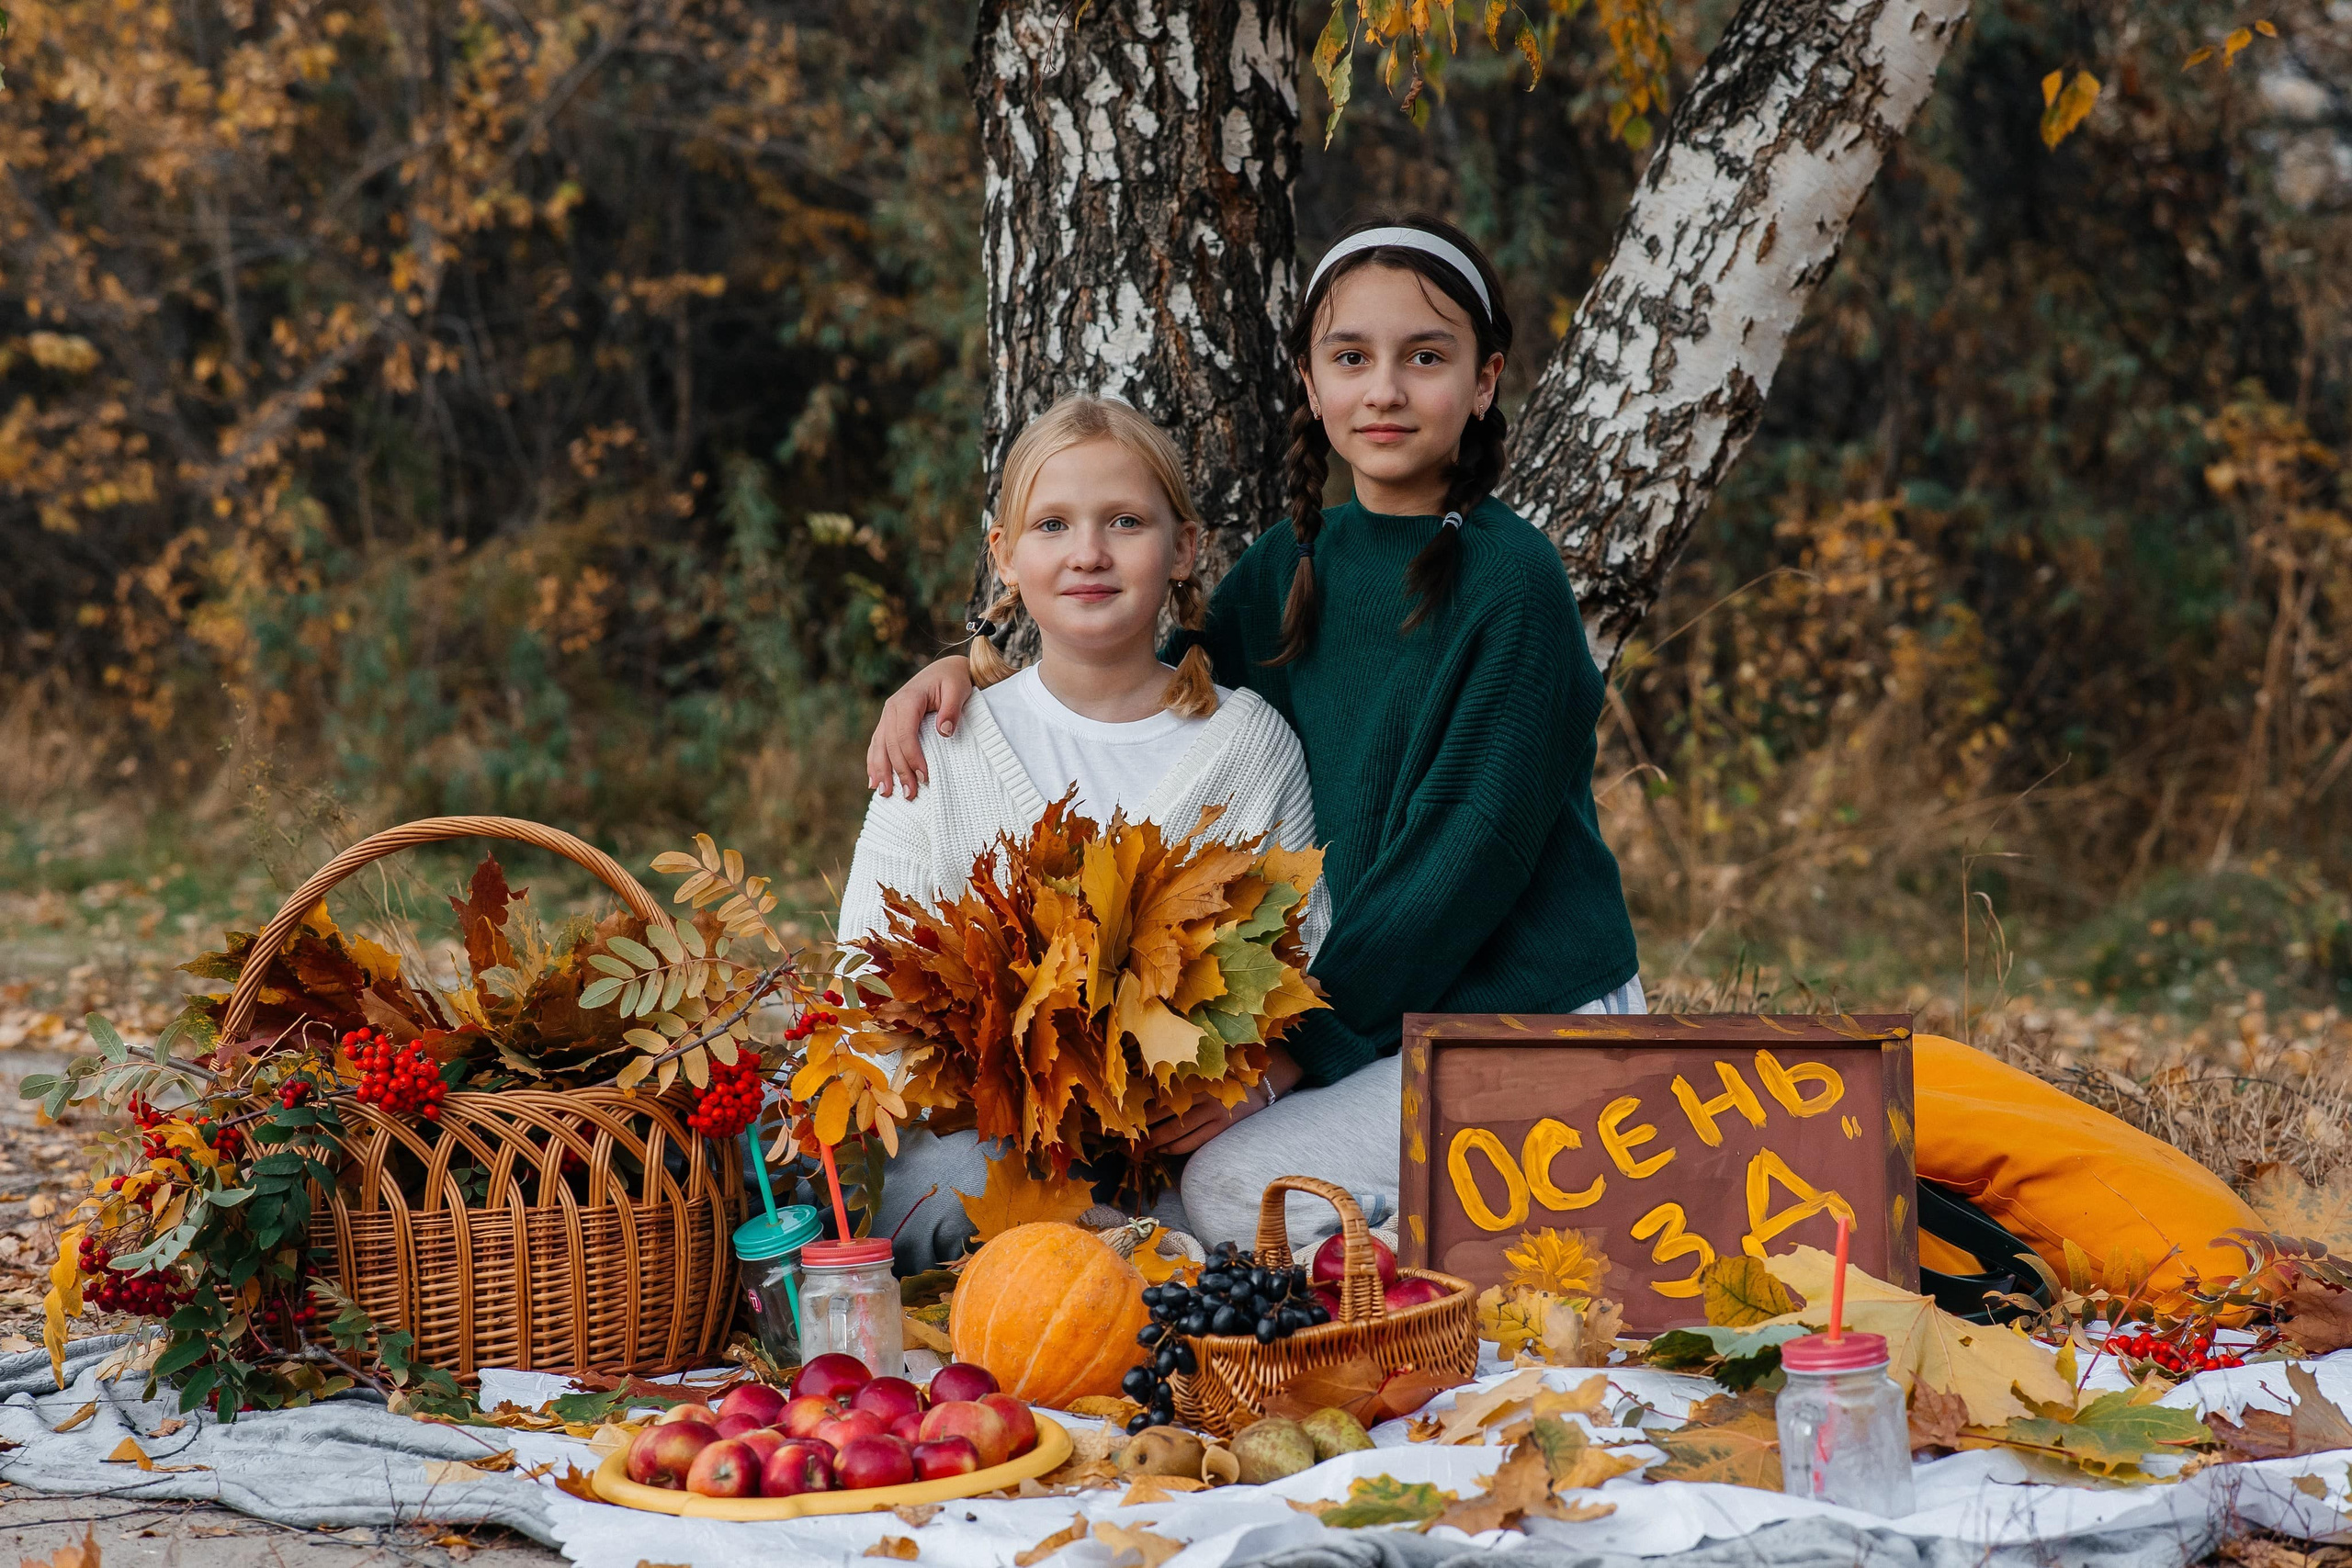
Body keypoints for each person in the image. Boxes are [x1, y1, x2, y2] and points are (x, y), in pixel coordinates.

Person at [864, 217, 1645, 1252]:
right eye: (1350, 358)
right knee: (1174, 1183)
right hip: (1371, 1017)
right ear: (1311, 386)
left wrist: (1284, 1064)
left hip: (1510, 1012)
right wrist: (968, 668)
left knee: (1238, 1187)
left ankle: (1498, 1270)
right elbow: (1134, 673)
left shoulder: (1513, 584)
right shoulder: (1285, 570)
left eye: (1425, 358)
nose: (1384, 391)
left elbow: (1464, 861)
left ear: (1485, 379)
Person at [838, 394, 1322, 1268]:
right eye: (1053, 524)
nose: (1089, 553)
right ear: (1006, 556)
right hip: (993, 1141)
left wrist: (1253, 1085)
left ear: (1183, 548)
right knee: (937, 1196)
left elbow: (1302, 961)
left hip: (1176, 1137)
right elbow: (864, 960)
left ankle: (1150, 1285)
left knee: (1245, 1207)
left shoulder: (1246, 746)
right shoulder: (948, 742)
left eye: (1125, 522)